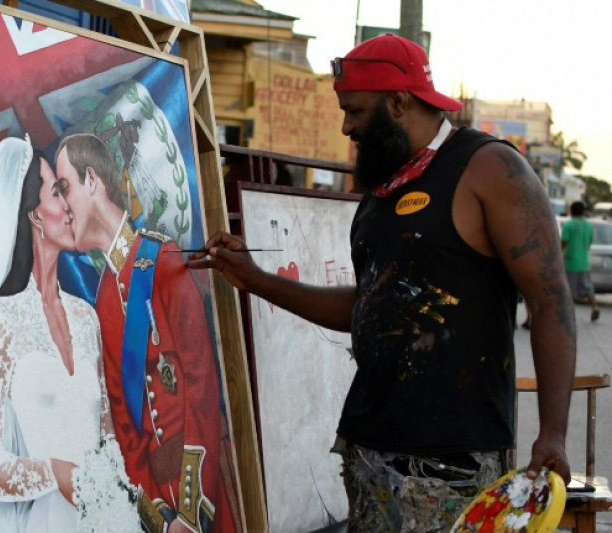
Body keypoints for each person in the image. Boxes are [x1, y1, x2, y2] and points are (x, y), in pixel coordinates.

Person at [188, 34, 576, 532]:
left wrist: (554, 432)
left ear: (398, 102)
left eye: (355, 111)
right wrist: (253, 280)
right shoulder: (381, 190)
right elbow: (368, 308)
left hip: (451, 458)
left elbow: (551, 302)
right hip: (368, 449)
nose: (346, 126)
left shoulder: (489, 168)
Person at [54, 133, 238, 533]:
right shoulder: (104, 294)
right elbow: (126, 428)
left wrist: (190, 514)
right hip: (162, 503)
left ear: (91, 180)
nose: (61, 205)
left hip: (204, 488)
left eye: (64, 188)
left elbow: (202, 387)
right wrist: (160, 514)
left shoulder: (162, 257)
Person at [0, 135, 131, 531]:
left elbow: (108, 439)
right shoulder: (3, 320)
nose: (70, 206)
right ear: (34, 216)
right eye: (57, 192)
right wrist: (56, 473)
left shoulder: (86, 319)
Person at [563, 201, 600, 322]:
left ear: (571, 211)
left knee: (569, 290)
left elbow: (563, 242)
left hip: (570, 262)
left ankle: (570, 315)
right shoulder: (589, 226)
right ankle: (594, 307)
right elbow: (589, 243)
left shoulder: (569, 225)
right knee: (588, 287)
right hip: (584, 263)